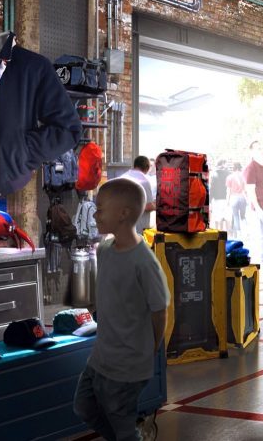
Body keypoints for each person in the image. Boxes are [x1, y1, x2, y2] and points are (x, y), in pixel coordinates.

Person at [73, 178, 169, 441]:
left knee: (121, 421)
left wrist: (151, 347)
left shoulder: (144, 262)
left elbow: (160, 310)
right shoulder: (104, 250)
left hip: (129, 363)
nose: (95, 214)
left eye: (101, 209)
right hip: (101, 356)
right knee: (84, 406)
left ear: (123, 214)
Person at [244, 141, 263, 265]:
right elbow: (250, 191)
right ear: (251, 152)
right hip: (260, 205)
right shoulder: (250, 169)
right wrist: (258, 208)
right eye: (257, 148)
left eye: (261, 147)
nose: (260, 150)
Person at [118, 156, 156, 233]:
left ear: (135, 165)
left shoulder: (122, 178)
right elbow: (148, 206)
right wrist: (159, 205)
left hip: (122, 226)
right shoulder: (144, 181)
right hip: (138, 229)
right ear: (147, 167)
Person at [226, 162, 247, 239]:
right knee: (243, 216)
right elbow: (245, 189)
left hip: (234, 197)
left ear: (234, 168)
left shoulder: (229, 177)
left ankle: (238, 233)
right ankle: (246, 231)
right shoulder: (243, 177)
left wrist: (227, 201)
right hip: (242, 197)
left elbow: (228, 191)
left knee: (235, 216)